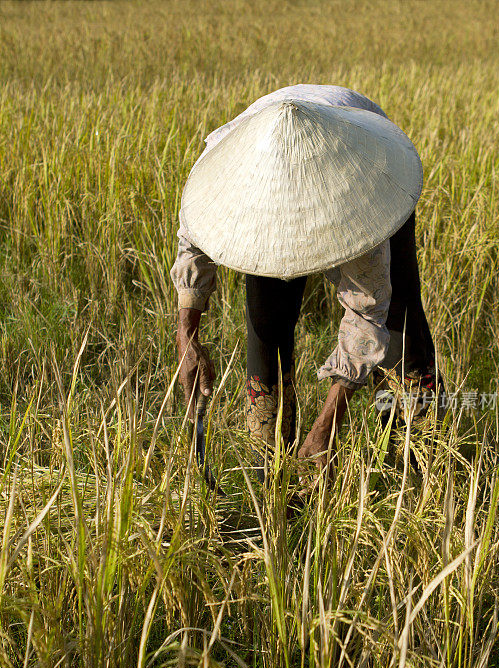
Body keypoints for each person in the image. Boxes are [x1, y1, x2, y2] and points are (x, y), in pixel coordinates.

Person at [172, 84, 439, 474]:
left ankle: (414, 450)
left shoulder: (363, 199)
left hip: (365, 159)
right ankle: (271, 466)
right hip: (264, 159)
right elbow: (192, 246)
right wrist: (187, 338)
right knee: (266, 326)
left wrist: (326, 426)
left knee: (401, 317)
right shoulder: (222, 173)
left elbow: (367, 315)